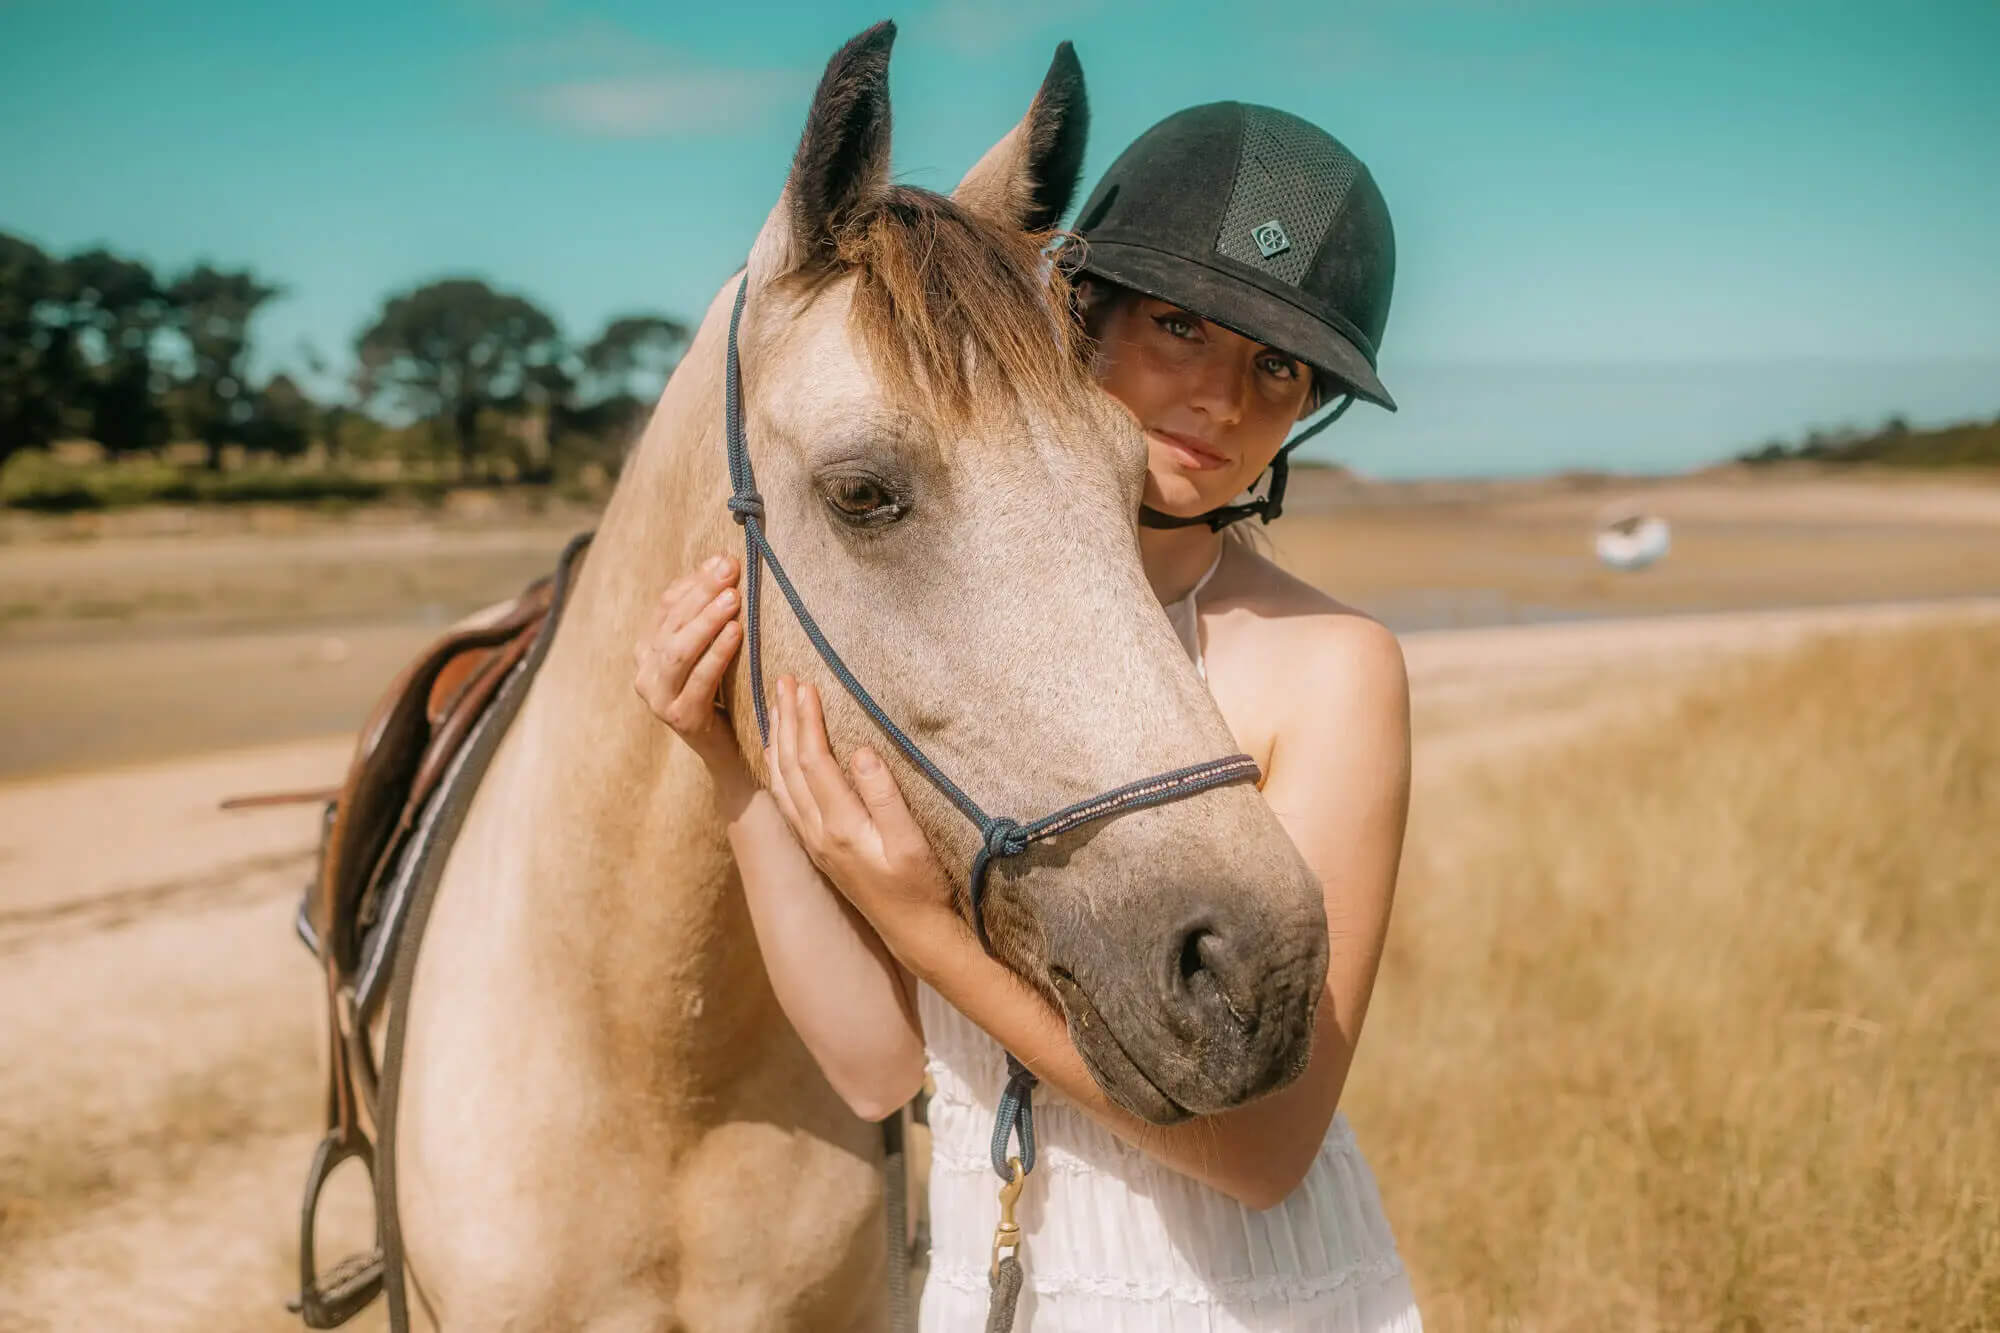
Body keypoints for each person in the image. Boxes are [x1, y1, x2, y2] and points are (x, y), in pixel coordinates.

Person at [635, 102, 1420, 1331]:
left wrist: (917, 923)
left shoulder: (1334, 666)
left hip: (1234, 1301)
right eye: (1177, 327)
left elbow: (1263, 1153)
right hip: (989, 1288)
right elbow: (878, 1066)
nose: (1219, 395)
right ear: (1078, 312)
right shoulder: (959, 663)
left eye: (1277, 364)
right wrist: (731, 772)